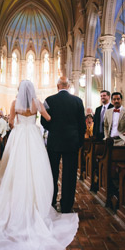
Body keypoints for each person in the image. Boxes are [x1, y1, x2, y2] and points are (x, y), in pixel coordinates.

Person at [0, 80, 78, 250]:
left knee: (15, 170)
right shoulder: (37, 103)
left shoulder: (14, 103)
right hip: (33, 136)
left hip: (19, 137)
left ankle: (12, 206)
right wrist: (35, 121)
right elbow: (48, 118)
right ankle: (38, 206)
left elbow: (10, 123)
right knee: (37, 170)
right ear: (32, 90)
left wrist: (18, 125)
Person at [40, 77, 86, 213]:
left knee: (52, 173)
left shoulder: (49, 100)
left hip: (55, 141)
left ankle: (52, 200)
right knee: (70, 174)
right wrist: (79, 142)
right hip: (72, 142)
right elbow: (82, 124)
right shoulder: (77, 101)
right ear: (69, 86)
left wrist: (53, 129)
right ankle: (66, 205)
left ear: (57, 86)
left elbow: (44, 121)